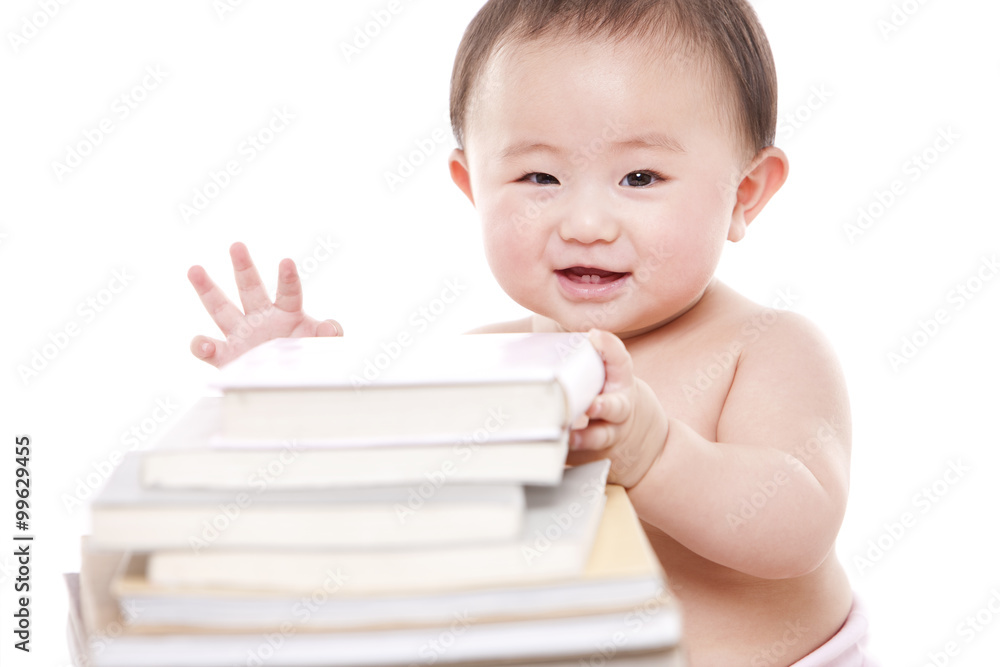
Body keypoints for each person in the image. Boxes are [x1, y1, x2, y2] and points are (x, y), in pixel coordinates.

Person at [187, 1, 876, 664]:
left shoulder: (763, 348)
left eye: (640, 176)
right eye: (538, 176)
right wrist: (296, 393)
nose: (584, 222)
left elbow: (799, 525)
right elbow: (384, 518)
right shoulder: (487, 363)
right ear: (473, 186)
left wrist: (655, 454)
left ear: (746, 191)